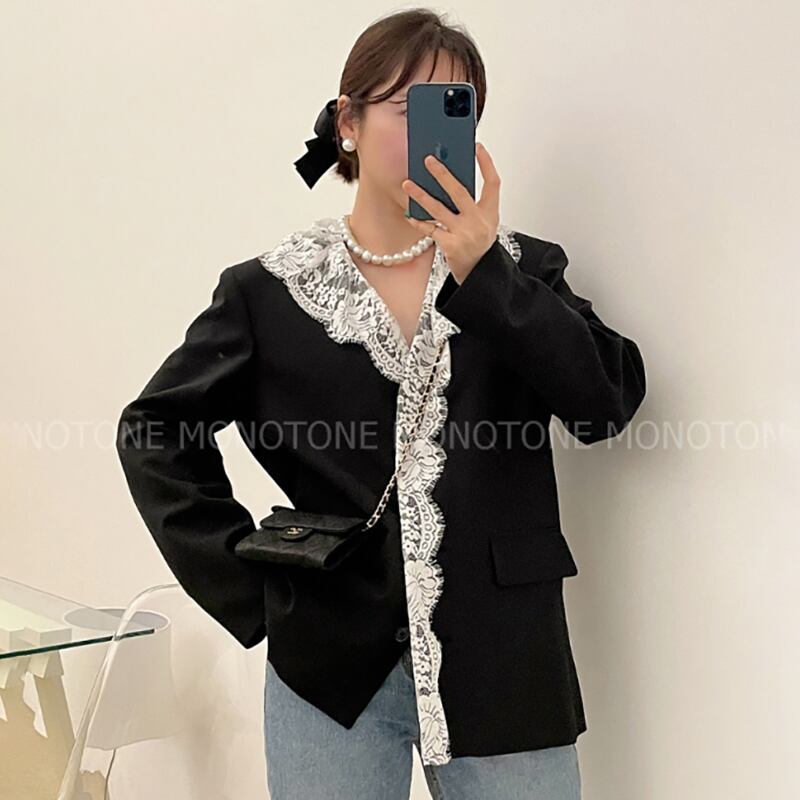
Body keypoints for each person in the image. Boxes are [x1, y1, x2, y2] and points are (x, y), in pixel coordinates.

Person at [116, 8, 646, 799]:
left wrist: (487, 277)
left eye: (454, 109)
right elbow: (153, 430)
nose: (432, 132)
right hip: (328, 675)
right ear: (348, 123)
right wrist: (252, 589)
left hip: (504, 665)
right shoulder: (269, 293)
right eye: (408, 108)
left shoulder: (521, 272)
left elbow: (606, 403)